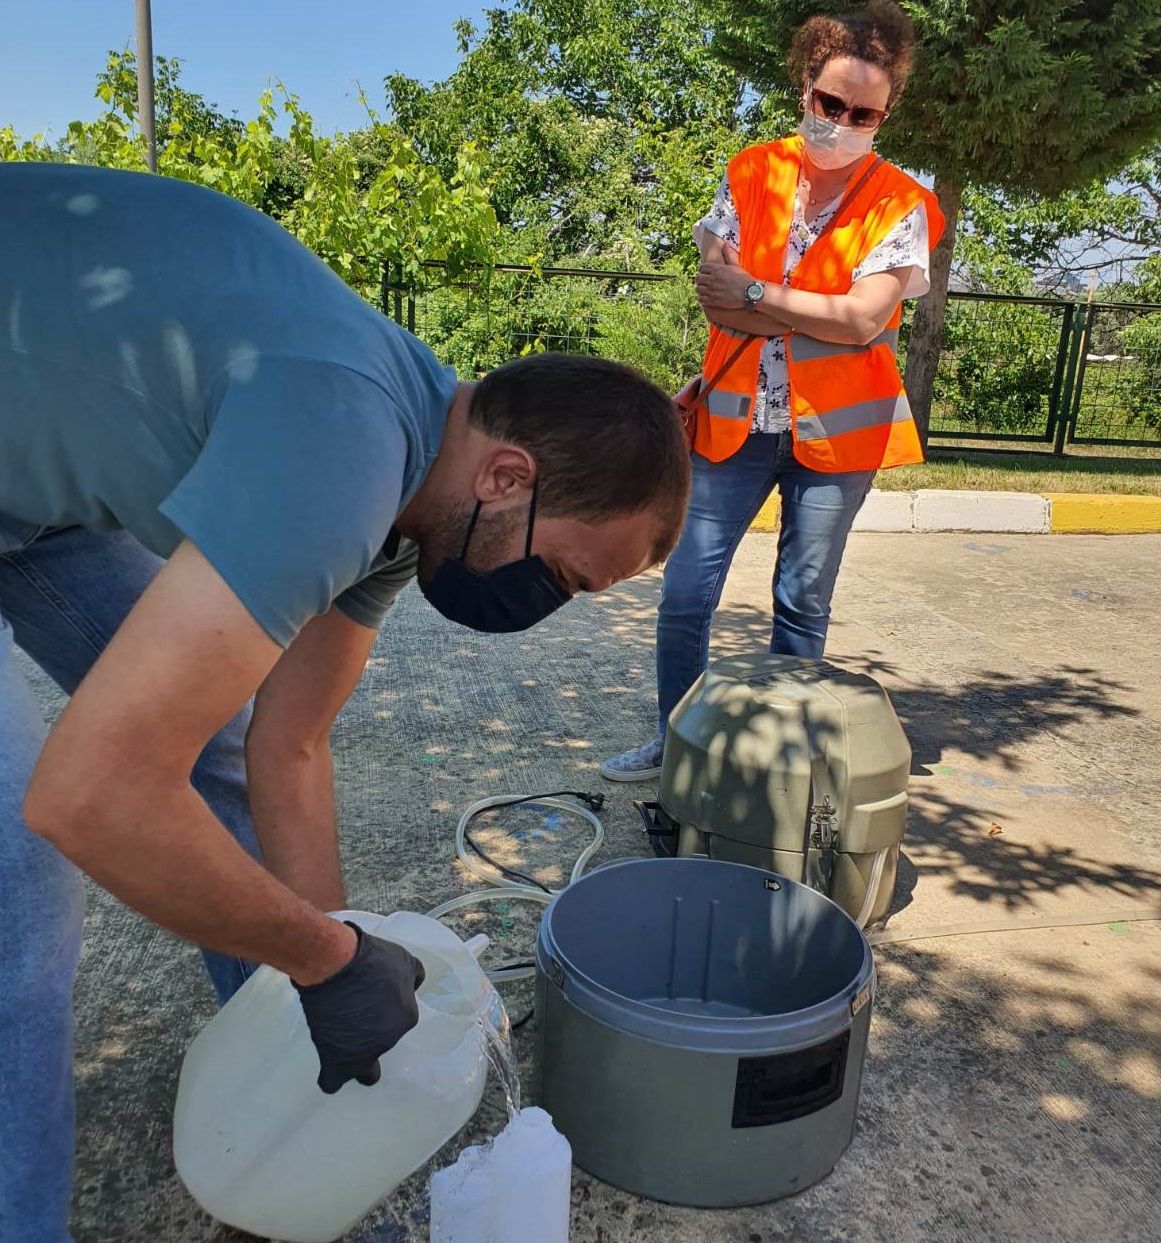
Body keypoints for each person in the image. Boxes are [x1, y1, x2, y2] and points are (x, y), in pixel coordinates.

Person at [0, 161, 689, 1242]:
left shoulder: (414, 489)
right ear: (507, 477)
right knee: (19, 889)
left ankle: (299, 1081)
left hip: (28, 489)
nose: (546, 606)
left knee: (216, 751)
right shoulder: (346, 448)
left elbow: (293, 745)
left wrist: (344, 961)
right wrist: (326, 960)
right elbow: (88, 794)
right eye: (566, 574)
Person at [601, 0, 943, 783]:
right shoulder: (751, 170)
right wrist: (799, 309)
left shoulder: (900, 201)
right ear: (802, 87)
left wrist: (760, 298)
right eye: (831, 103)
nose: (844, 121)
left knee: (801, 602)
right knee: (686, 593)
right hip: (733, 421)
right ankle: (679, 743)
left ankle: (781, 770)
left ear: (883, 113)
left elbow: (862, 321)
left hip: (835, 438)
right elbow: (715, 292)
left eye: (864, 113)